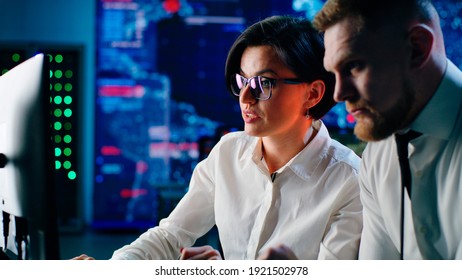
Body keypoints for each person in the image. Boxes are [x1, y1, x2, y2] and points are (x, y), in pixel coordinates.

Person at [76, 15, 362, 260]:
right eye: (243, 81)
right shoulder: (228, 153)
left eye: (264, 83)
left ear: (312, 94)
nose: (245, 98)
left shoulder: (349, 181)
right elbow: (170, 236)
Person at [313, 0, 462, 259]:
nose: (338, 93)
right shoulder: (375, 158)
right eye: (333, 73)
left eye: (353, 66)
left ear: (417, 48)